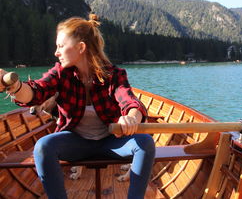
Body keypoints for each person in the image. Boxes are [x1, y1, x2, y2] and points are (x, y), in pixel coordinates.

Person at [0, 14, 155, 199]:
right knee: (43, 146)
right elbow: (35, 92)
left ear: (81, 47)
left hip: (111, 141)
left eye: (60, 46)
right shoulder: (60, 73)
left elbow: (129, 101)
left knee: (145, 143)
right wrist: (15, 86)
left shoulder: (114, 75)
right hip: (76, 142)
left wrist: (132, 117)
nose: (56, 52)